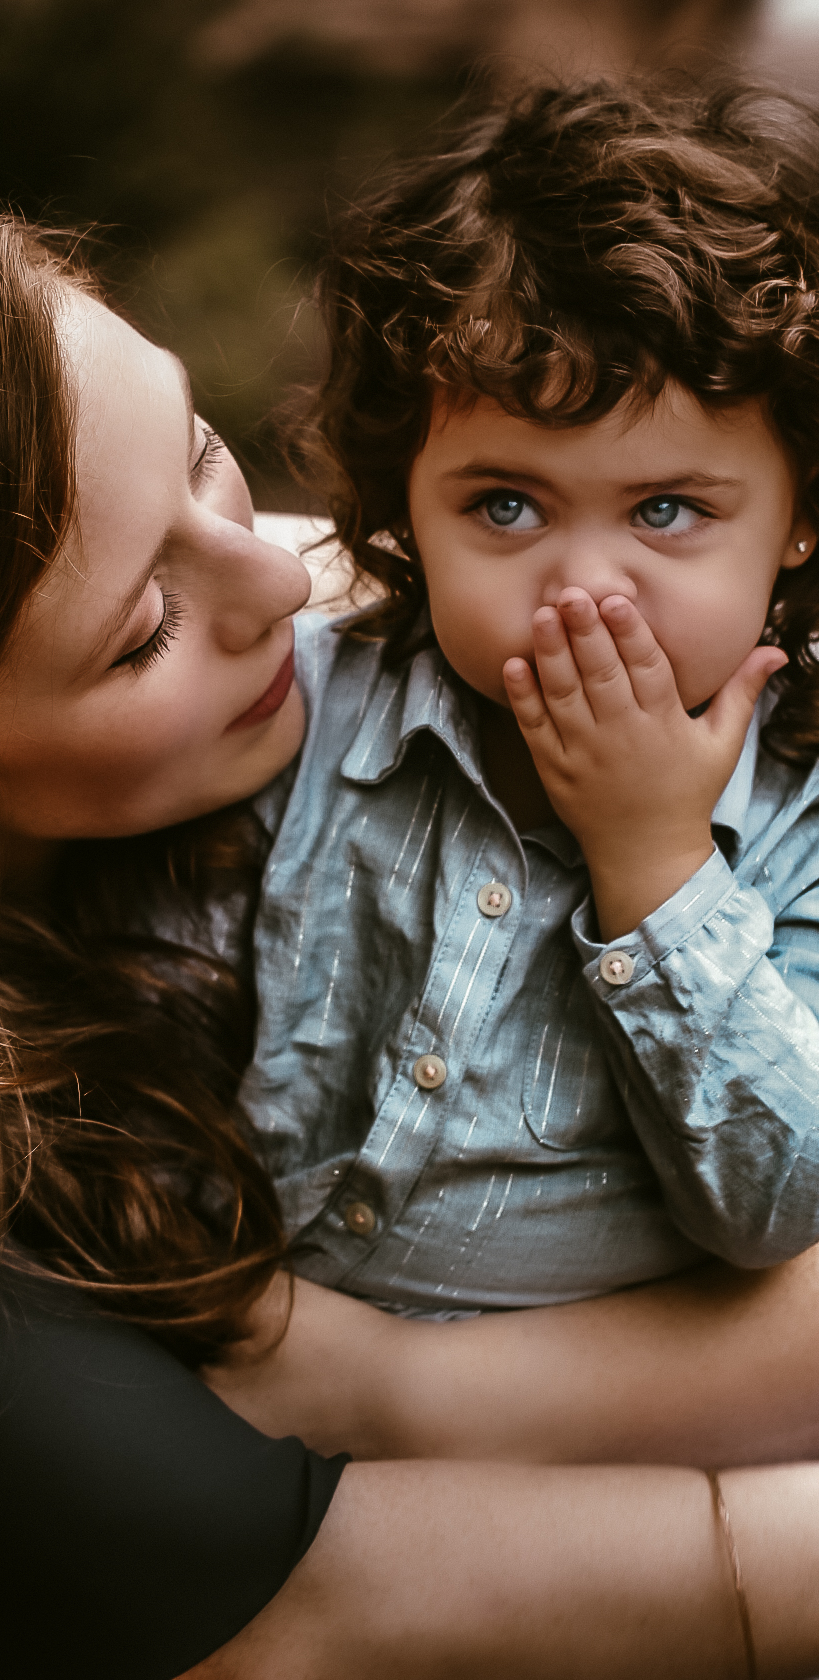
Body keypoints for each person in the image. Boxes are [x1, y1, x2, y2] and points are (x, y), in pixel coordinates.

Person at [0, 184, 819, 1680]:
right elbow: (390, 1606)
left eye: (206, 458)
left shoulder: (368, 660)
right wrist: (408, 1392)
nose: (282, 577)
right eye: (143, 627)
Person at [226, 79, 819, 1321]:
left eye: (666, 511)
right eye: (505, 506)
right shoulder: (299, 714)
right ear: (407, 504)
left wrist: (654, 862)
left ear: (796, 519)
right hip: (231, 1340)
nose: (585, 589)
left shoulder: (798, 817)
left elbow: (777, 1208)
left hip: (568, 1436)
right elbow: (141, 1010)